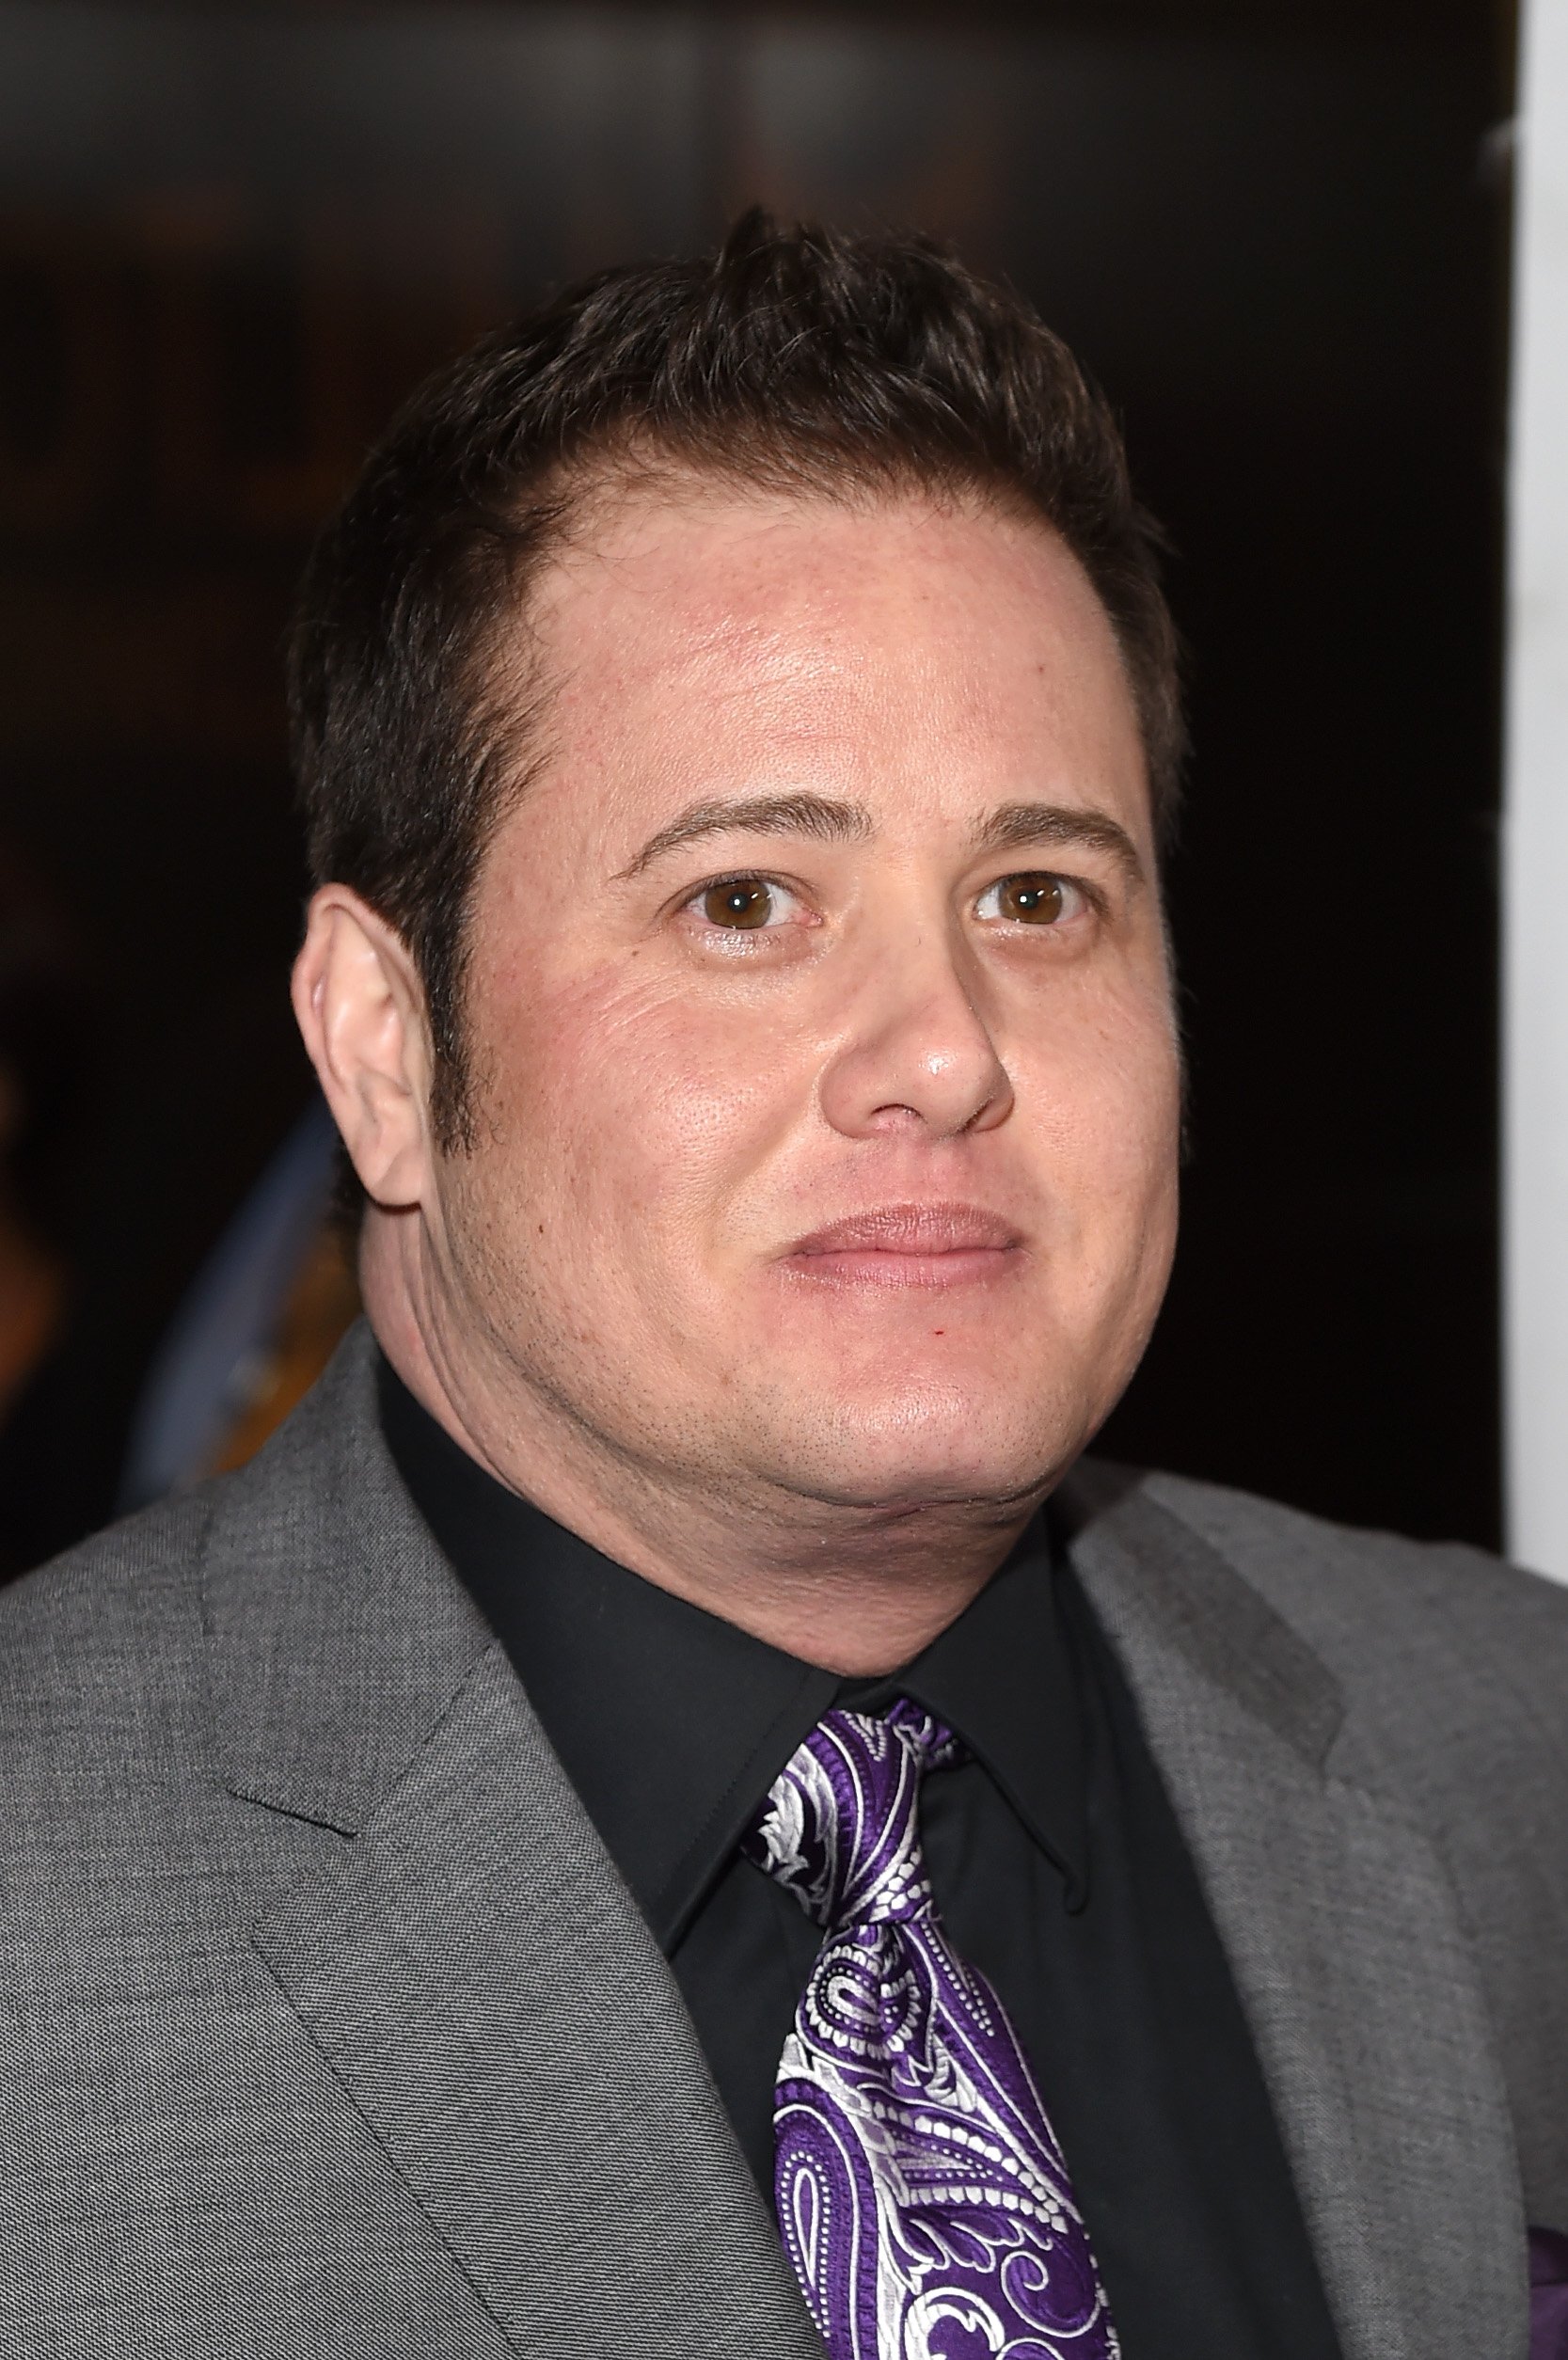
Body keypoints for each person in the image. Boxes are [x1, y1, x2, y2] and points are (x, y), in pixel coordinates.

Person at [1, 214, 1563, 2360]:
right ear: (384, 1042)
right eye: (748, 898)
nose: (947, 1045)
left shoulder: (1508, 1750)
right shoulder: (38, 1922)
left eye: (1038, 891)